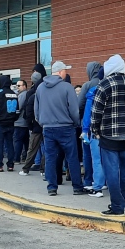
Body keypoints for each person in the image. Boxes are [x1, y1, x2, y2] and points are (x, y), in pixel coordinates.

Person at [91, 54, 125, 215]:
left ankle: (117, 206)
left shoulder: (104, 84)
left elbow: (96, 111)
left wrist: (95, 131)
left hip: (109, 135)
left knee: (112, 171)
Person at [35, 61, 84, 195]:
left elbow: (36, 110)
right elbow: (74, 110)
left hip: (48, 127)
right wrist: (76, 123)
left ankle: (52, 187)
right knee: (72, 157)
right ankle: (77, 187)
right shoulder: (67, 87)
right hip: (66, 127)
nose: (66, 73)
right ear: (60, 72)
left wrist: (43, 122)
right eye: (65, 70)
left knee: (50, 157)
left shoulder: (40, 88)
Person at [82, 69, 106, 197]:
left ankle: (97, 188)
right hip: (112, 130)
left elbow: (88, 114)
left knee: (97, 160)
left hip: (96, 130)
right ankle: (108, 183)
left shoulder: (93, 91)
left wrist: (85, 130)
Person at [0, 75, 20, 172]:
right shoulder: (14, 93)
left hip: (0, 123)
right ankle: (10, 165)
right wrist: (13, 119)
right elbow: (17, 110)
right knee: (10, 144)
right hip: (11, 123)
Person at [21, 68, 45, 176]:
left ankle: (26, 168)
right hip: (47, 125)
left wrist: (30, 126)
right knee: (47, 149)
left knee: (32, 149)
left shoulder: (32, 96)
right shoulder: (46, 96)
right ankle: (43, 169)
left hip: (36, 126)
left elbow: (28, 113)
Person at [13, 79, 30, 164]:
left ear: (24, 86)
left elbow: (18, 107)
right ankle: (25, 157)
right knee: (25, 141)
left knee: (18, 141)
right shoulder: (23, 94)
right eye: (16, 85)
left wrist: (13, 116)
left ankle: (16, 158)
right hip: (25, 123)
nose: (17, 87)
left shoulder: (22, 95)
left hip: (20, 122)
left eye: (19, 86)